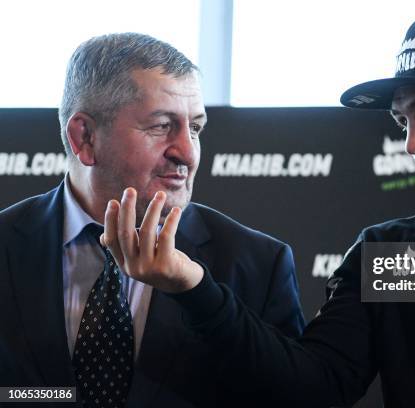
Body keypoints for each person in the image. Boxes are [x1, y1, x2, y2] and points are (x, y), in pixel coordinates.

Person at [78, 12, 415, 408]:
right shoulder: (388, 255)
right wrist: (194, 287)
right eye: (403, 120)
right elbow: (309, 390)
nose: (413, 143)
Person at [0, 33, 304, 407]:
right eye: (162, 126)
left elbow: (295, 395)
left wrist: (198, 295)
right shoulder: (7, 246)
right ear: (85, 138)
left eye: (195, 128)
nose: (187, 153)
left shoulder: (257, 264)